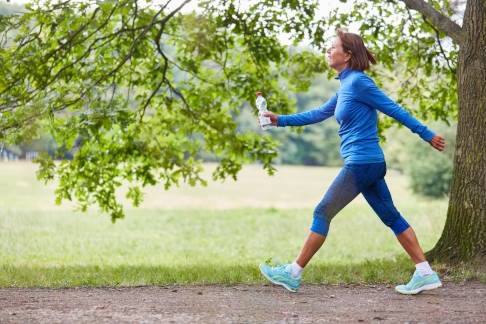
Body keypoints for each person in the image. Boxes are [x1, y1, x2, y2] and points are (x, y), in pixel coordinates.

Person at [259, 29, 446, 295]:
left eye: (332, 47)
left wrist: (426, 134)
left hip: (361, 163)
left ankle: (293, 273)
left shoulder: (359, 82)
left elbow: (393, 108)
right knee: (391, 216)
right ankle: (425, 272)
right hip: (368, 164)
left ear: (347, 54)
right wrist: (279, 120)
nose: (328, 50)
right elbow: (318, 114)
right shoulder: (345, 86)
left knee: (322, 212)